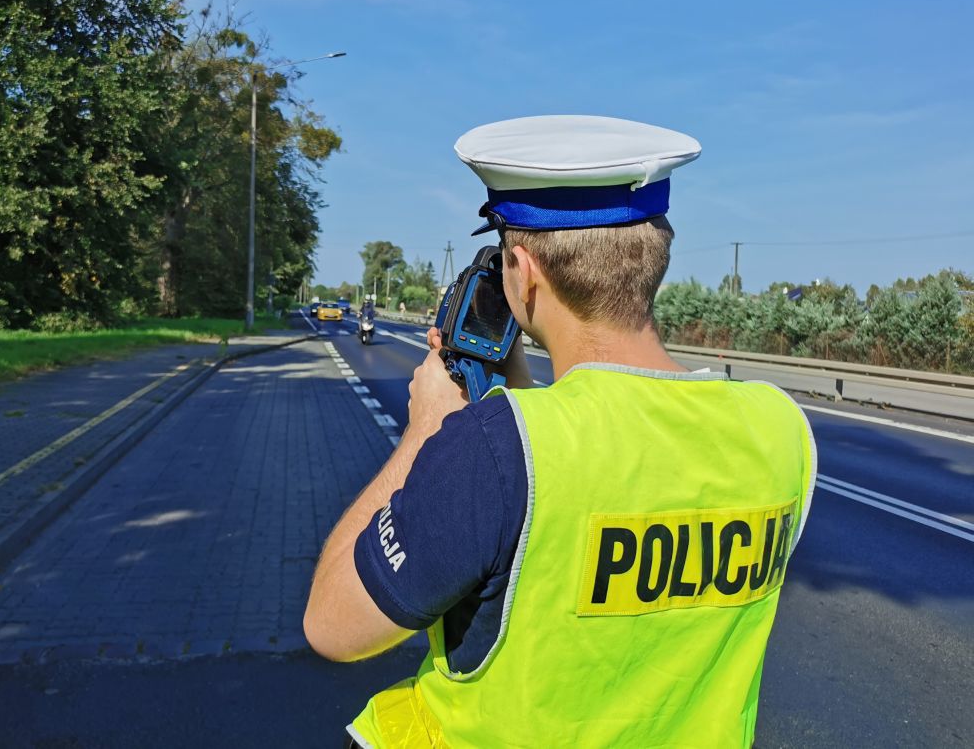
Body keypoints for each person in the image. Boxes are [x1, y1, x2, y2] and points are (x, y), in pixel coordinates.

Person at [304, 115, 817, 748]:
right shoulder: (777, 429)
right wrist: (515, 384)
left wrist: (425, 433)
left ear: (520, 270)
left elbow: (332, 625)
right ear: (655, 255)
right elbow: (613, 459)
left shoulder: (495, 450)